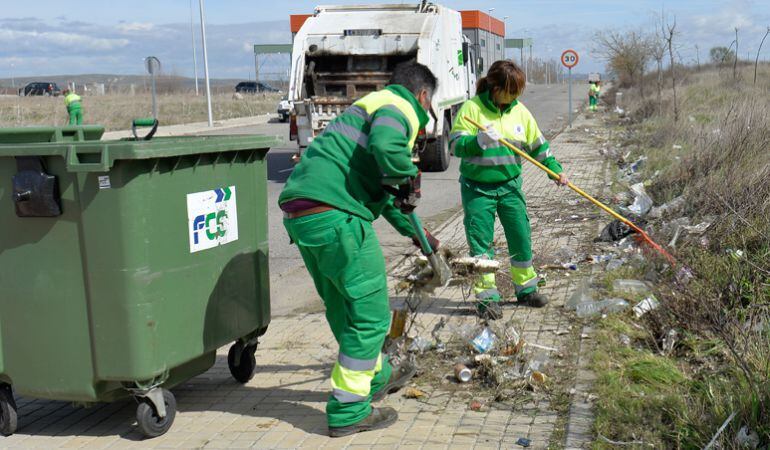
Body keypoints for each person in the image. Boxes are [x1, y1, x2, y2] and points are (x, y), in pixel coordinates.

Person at [278, 61, 440, 437]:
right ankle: (349, 409)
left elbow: (384, 199)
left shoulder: (366, 110)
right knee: (370, 317)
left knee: (344, 308)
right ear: (423, 96)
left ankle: (377, 374)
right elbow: (389, 150)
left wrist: (420, 234)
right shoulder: (398, 107)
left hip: (305, 215)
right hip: (338, 217)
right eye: (429, 109)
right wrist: (406, 177)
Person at [449, 60, 569, 320]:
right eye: (511, 90)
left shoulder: (520, 112)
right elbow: (455, 145)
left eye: (518, 91)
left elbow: (539, 147)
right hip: (477, 189)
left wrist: (554, 169)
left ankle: (526, 289)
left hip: (510, 187)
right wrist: (477, 141)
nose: (515, 96)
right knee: (481, 244)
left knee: (520, 236)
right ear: (495, 87)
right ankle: (487, 298)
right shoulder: (472, 109)